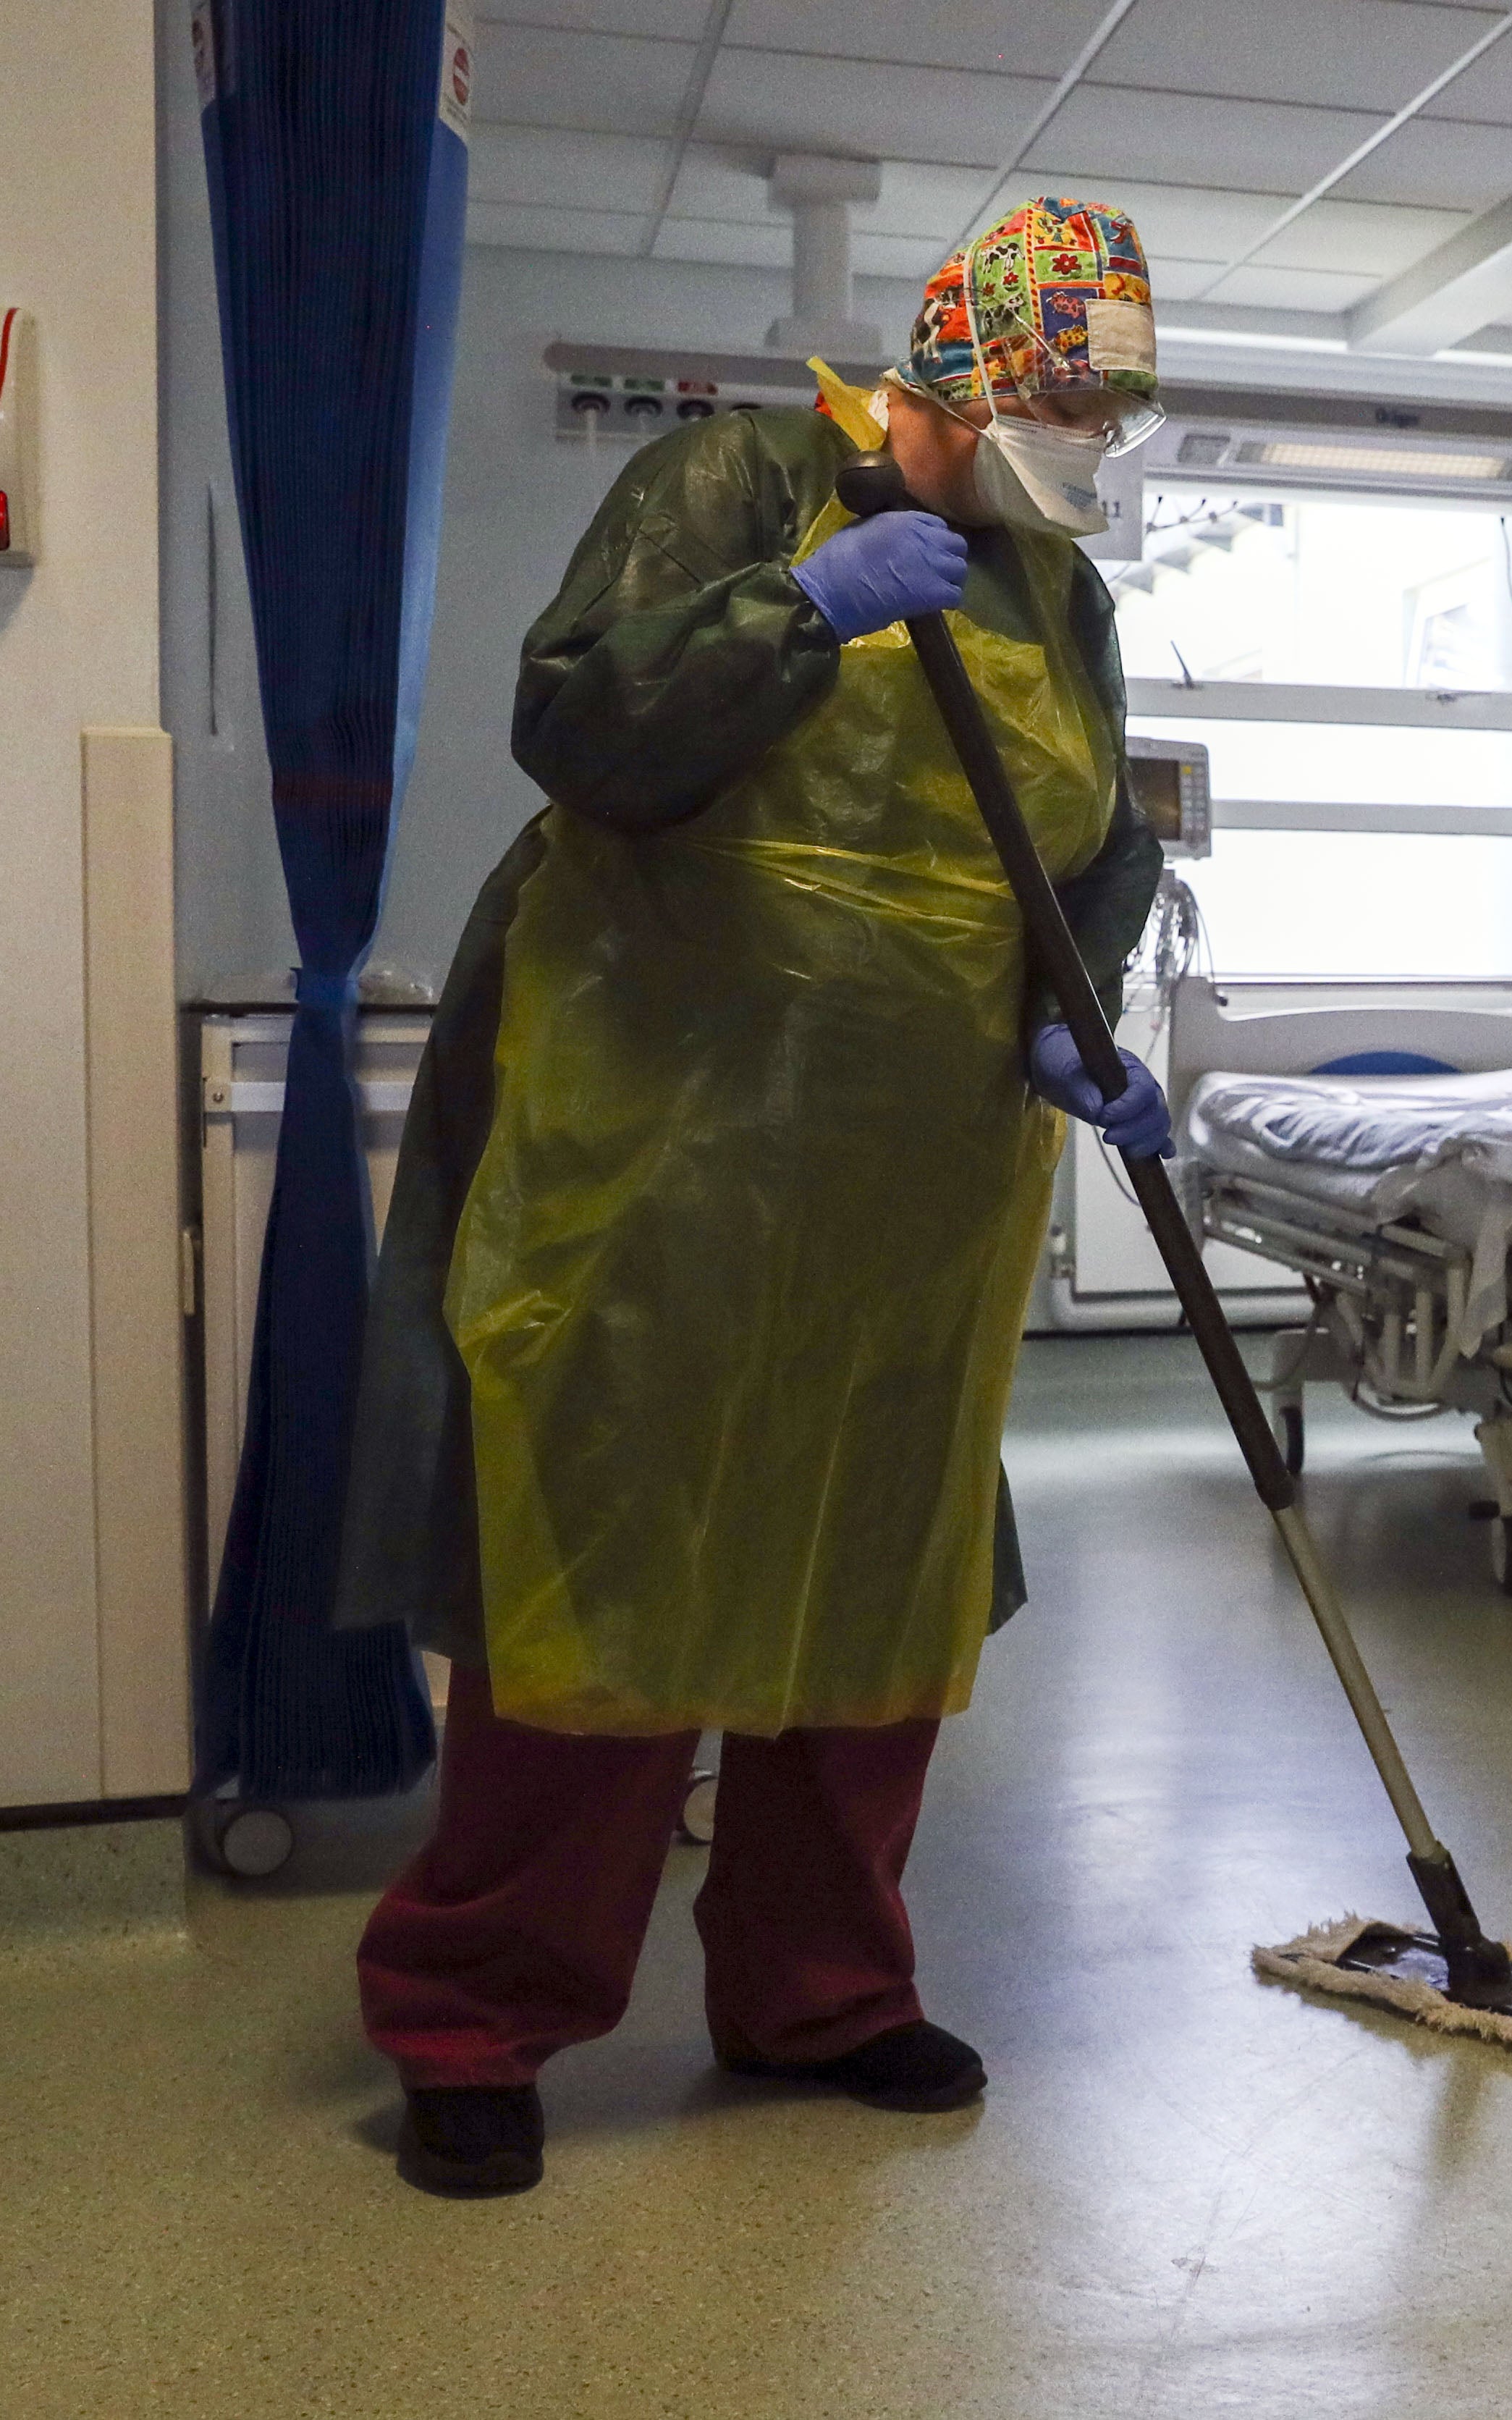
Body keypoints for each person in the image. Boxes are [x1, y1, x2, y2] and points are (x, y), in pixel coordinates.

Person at [335, 199, 1174, 2198]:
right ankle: (478, 2019)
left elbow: (1097, 841)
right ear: (963, 365)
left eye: (1121, 408)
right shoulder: (727, 479)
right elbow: (580, 725)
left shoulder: (1056, 593)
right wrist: (795, 611)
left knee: (871, 1592)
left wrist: (1083, 1016)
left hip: (918, 1189)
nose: (1097, 438)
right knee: (606, 1596)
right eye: (1071, 394)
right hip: (668, 1153)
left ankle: (822, 1995)